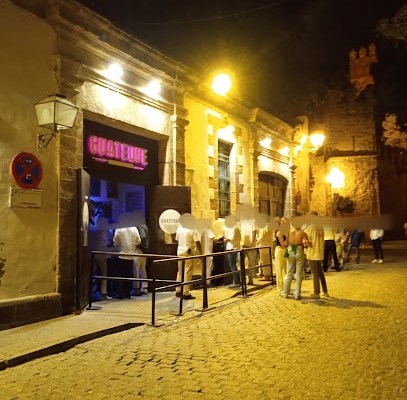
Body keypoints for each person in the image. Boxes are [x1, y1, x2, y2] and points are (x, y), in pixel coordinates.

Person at [280, 221, 311, 300]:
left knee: (289, 272)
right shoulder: (302, 233)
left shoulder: (289, 232)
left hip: (290, 250)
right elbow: (307, 243)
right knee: (299, 273)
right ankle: (297, 294)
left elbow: (285, 243)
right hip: (299, 250)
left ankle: (285, 292)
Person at [304, 214, 329, 299]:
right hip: (320, 253)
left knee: (315, 274)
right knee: (320, 273)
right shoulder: (320, 227)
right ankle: (325, 291)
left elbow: (307, 242)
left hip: (312, 253)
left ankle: (316, 292)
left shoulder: (310, 228)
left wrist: (305, 244)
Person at [113, 226, 141, 299]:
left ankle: (120, 293)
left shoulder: (119, 228)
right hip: (131, 255)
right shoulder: (134, 228)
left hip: (122, 254)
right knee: (129, 274)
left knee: (120, 274)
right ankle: (127, 292)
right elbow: (138, 241)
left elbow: (115, 242)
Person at [175, 224, 201, 299]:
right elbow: (197, 242)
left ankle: (178, 290)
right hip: (188, 251)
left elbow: (177, 240)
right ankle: (186, 292)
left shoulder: (179, 228)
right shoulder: (192, 228)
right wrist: (200, 252)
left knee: (180, 271)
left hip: (179, 251)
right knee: (188, 271)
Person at [224, 221, 241, 288]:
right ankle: (237, 281)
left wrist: (226, 239)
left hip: (231, 248)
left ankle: (236, 282)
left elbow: (231, 238)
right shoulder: (236, 228)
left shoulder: (232, 228)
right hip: (235, 247)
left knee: (232, 266)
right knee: (233, 265)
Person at [240, 218, 257, 285]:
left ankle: (250, 279)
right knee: (242, 262)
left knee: (251, 262)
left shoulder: (252, 221)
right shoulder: (242, 221)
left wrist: (252, 244)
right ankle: (243, 279)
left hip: (250, 244)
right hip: (243, 243)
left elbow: (254, 232)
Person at [200, 220, 216, 285]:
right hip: (208, 252)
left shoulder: (202, 231)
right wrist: (221, 237)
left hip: (203, 252)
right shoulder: (208, 230)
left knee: (204, 268)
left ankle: (203, 281)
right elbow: (213, 238)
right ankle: (208, 282)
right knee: (209, 268)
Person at [274, 217, 288, 292]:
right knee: (279, 268)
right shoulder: (279, 232)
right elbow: (283, 244)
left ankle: (286, 285)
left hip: (285, 250)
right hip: (280, 250)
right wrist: (288, 239)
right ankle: (280, 286)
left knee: (286, 269)